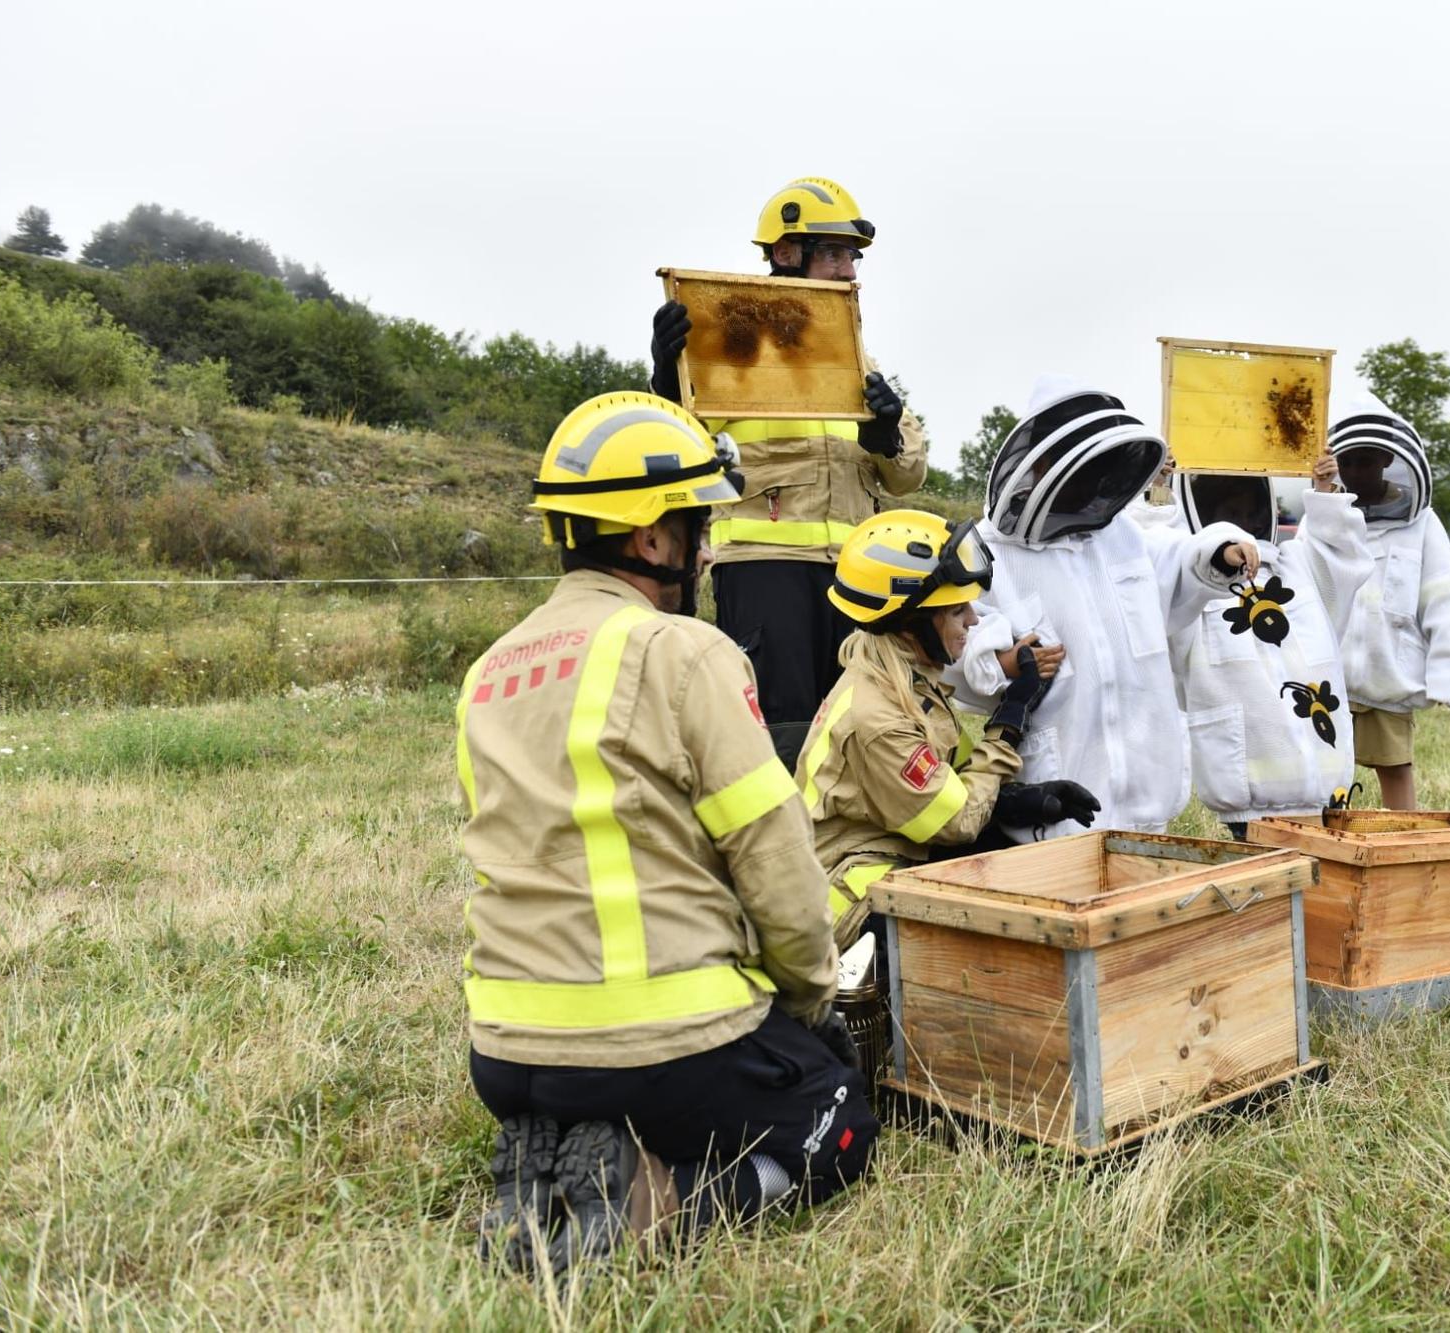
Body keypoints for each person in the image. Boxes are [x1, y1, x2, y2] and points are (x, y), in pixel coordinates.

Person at [458, 392, 875, 1273]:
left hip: (501, 1051)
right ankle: (653, 1201)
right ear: (651, 538)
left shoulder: (487, 672)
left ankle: (574, 1149)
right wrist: (808, 1006)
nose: (710, 546)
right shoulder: (682, 652)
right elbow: (775, 859)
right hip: (658, 1043)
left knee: (630, 1088)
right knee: (839, 1117)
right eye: (699, 524)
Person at [648, 177, 928, 766]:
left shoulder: (856, 357)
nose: (849, 270)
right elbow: (675, 447)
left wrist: (886, 434)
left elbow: (908, 478)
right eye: (833, 253)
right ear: (784, 253)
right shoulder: (727, 346)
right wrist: (666, 378)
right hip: (765, 572)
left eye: (851, 257)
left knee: (859, 732)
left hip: (857, 576)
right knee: (781, 738)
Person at [956, 378, 1260, 842]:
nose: (1094, 483)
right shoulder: (992, 552)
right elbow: (966, 650)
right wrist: (1006, 663)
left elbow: (1179, 562)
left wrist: (1219, 553)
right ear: (1043, 463)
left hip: (1147, 784)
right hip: (1058, 786)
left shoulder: (1122, 537)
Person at [798, 510, 1101, 944]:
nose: (974, 621)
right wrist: (1008, 719)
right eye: (958, 610)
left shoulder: (906, 681)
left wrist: (1023, 801)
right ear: (912, 622)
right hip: (852, 901)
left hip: (896, 854)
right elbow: (956, 821)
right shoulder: (878, 717)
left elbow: (951, 784)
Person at [1163, 462, 1373, 839]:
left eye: (1250, 513)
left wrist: (1326, 493)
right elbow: (1161, 564)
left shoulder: (1294, 565)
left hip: (1325, 790)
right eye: (1229, 515)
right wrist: (1159, 495)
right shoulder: (1195, 584)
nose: (1243, 526)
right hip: (1251, 795)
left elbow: (1341, 557)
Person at [1328, 398, 1450, 810]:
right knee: (1325, 770)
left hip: (1388, 673)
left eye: (1365, 462)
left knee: (1395, 768)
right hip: (1329, 674)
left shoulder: (1421, 523)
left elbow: (1446, 599)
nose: (1357, 473)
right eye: (1348, 463)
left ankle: (1403, 846)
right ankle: (1325, 848)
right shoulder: (1325, 517)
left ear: (1387, 458)